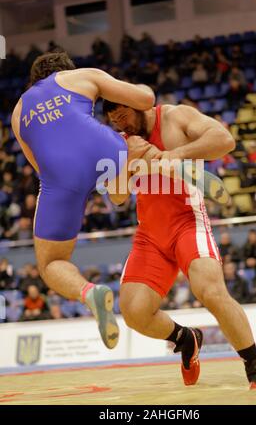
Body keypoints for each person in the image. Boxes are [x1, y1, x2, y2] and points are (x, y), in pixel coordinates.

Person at [104, 100, 256, 389]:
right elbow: (117, 197)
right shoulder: (121, 142)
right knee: (134, 312)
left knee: (211, 291)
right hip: (150, 235)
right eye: (116, 121)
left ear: (138, 106)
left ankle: (254, 365)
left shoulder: (174, 117)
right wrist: (129, 165)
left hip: (187, 223)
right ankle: (185, 338)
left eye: (125, 117)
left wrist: (176, 153)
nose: (123, 125)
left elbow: (224, 140)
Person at [11, 51, 155, 349]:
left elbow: (39, 167)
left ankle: (89, 292)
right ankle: (159, 161)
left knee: (51, 263)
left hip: (61, 178)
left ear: (33, 79)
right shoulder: (82, 75)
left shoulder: (17, 111)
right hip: (105, 150)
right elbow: (144, 102)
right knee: (119, 195)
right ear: (65, 69)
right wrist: (145, 92)